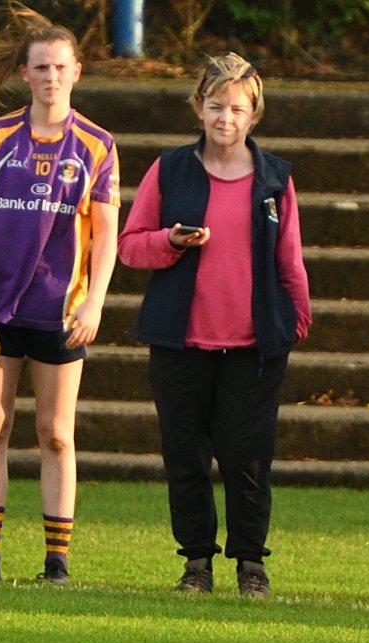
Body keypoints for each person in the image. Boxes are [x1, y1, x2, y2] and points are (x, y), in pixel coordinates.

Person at [117, 53, 311, 598]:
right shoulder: (170, 168)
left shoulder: (276, 176)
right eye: (216, 105)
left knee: (249, 459)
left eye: (238, 108)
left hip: (254, 345)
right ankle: (196, 562)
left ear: (254, 115)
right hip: (179, 341)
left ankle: (251, 563)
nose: (226, 117)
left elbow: (289, 256)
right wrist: (169, 242)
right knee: (185, 457)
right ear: (198, 108)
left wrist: (298, 315)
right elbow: (130, 246)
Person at [0, 9, 120, 584]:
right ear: (25, 73)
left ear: (77, 72)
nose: (51, 76)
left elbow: (106, 232)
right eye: (40, 66)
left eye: (60, 67)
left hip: (60, 307)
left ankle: (57, 561)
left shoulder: (97, 145)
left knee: (55, 432)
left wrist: (95, 301)